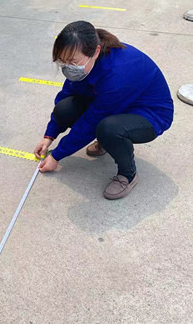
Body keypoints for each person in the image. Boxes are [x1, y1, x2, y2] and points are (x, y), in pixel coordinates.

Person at [33, 20, 174, 200]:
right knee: (64, 109)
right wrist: (49, 136)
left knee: (108, 129)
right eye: (63, 62)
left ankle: (128, 175)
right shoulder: (85, 62)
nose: (68, 68)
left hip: (149, 115)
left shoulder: (117, 75)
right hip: (116, 104)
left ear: (96, 51)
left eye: (73, 62)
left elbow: (90, 123)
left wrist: (57, 156)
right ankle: (107, 141)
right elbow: (66, 94)